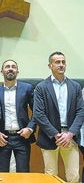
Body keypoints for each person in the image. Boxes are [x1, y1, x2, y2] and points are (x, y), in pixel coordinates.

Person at [33, 51, 84, 183]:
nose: (61, 65)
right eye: (57, 62)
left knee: (74, 175)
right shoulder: (41, 87)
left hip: (70, 137)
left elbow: (80, 111)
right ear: (50, 65)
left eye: (63, 62)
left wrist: (70, 134)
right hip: (50, 137)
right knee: (50, 175)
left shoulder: (75, 87)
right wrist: (56, 134)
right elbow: (39, 114)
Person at [0, 59, 36, 172]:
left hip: (22, 137)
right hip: (2, 137)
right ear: (2, 71)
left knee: (23, 173)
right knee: (1, 173)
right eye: (7, 66)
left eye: (13, 66)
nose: (10, 68)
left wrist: (30, 128)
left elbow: (37, 111)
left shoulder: (27, 88)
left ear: (17, 71)